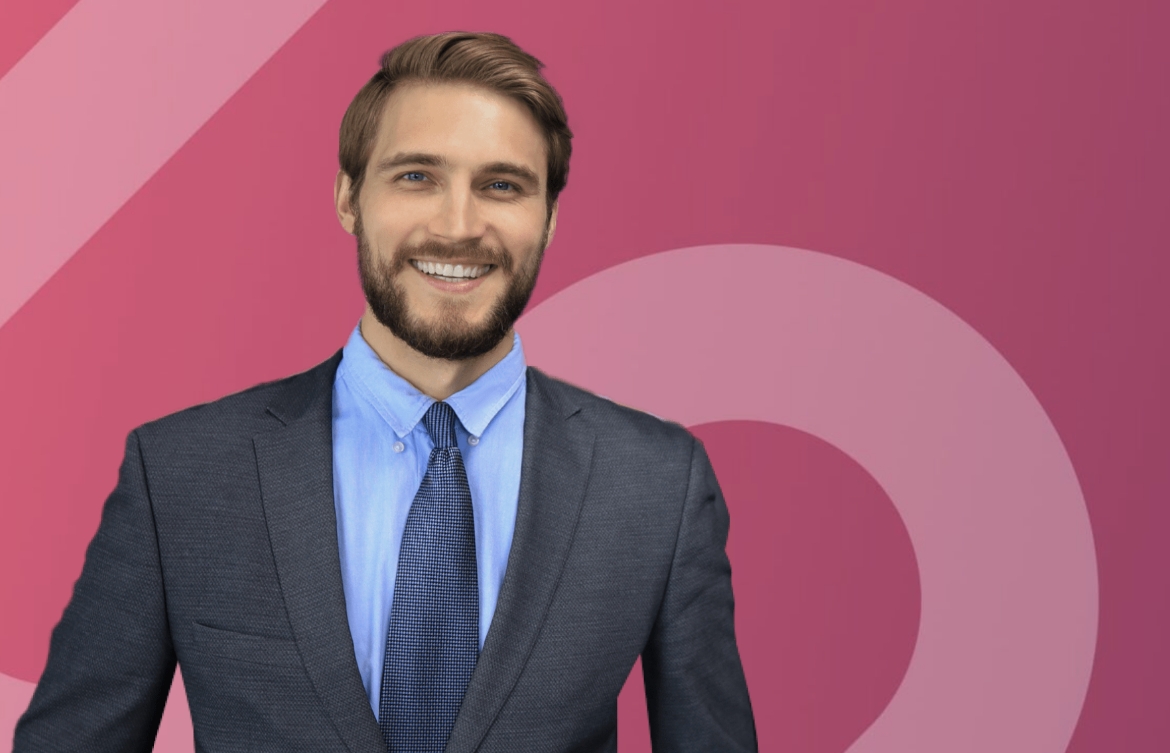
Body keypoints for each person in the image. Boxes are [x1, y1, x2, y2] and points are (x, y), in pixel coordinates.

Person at [14, 31, 757, 752]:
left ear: (551, 217)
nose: (458, 226)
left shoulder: (658, 484)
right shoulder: (179, 473)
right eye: (416, 176)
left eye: (502, 185)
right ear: (348, 198)